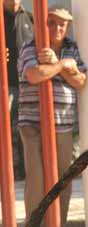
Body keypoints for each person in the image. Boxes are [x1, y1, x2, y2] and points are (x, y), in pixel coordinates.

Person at [17, 7, 86, 227]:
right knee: (36, 179)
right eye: (52, 23)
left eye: (62, 24)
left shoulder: (71, 47)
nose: (57, 28)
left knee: (63, 178)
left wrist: (59, 64)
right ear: (43, 25)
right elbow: (33, 75)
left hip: (63, 123)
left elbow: (81, 81)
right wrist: (62, 65)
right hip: (32, 123)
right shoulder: (30, 47)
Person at [3, 0, 33, 180]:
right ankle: (9, 172)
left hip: (28, 85)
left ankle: (24, 170)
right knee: (5, 130)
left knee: (26, 128)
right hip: (5, 85)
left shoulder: (29, 17)